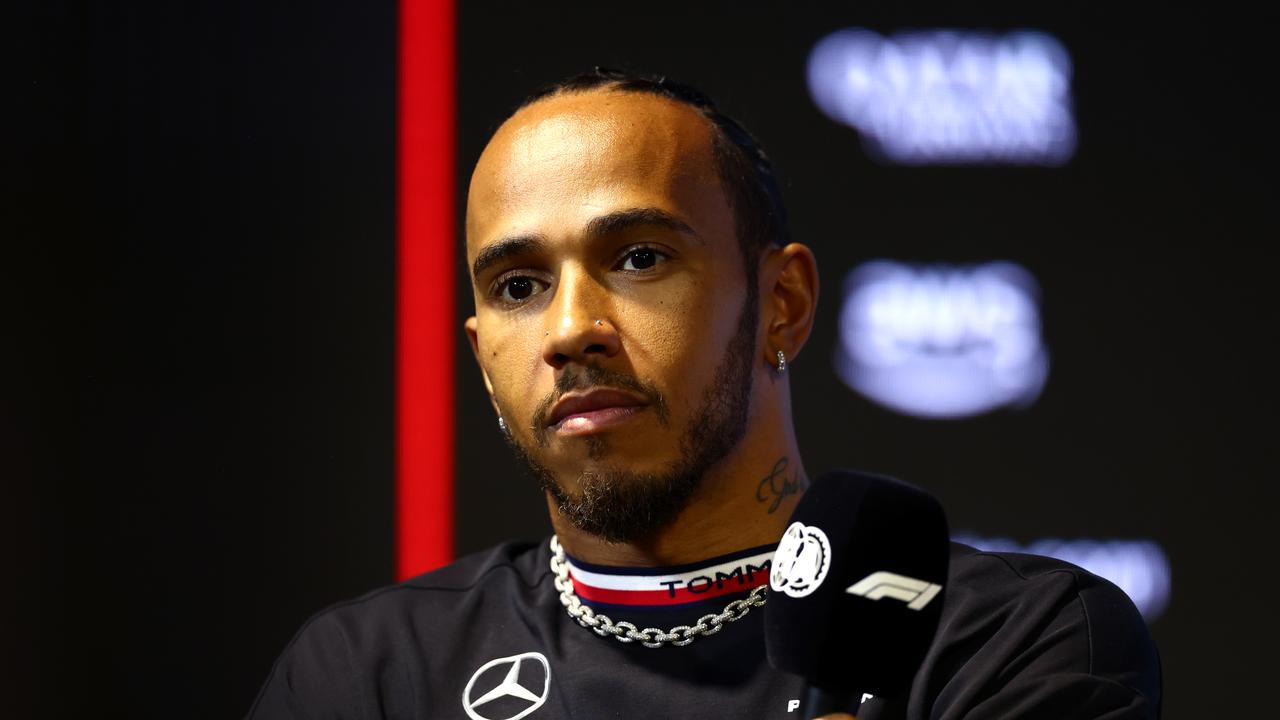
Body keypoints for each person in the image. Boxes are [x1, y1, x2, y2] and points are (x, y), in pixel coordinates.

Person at [248, 68, 1161, 720]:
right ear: (481, 349)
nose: (570, 329)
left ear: (783, 302)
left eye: (639, 258)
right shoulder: (366, 674)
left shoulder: (1012, 642)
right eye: (518, 285)